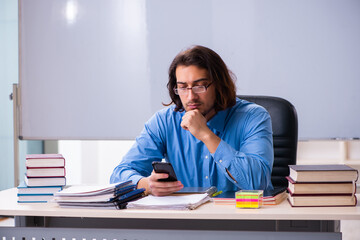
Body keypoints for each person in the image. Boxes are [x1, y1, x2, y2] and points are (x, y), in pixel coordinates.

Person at [110, 45, 274, 196]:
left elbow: (257, 183)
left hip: (243, 220)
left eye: (199, 86)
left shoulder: (254, 117)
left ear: (219, 84)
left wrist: (206, 135)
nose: (190, 97)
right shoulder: (163, 121)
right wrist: (146, 184)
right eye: (182, 87)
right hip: (186, 221)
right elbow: (119, 175)